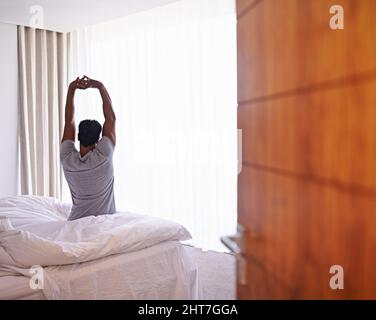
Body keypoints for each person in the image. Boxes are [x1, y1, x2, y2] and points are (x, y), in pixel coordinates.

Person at [60, 76, 117, 220]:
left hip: (75, 223)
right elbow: (111, 119)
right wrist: (100, 86)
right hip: (105, 223)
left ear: (77, 136)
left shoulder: (67, 158)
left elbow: (69, 122)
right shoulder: (104, 155)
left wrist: (72, 89)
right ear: (98, 140)